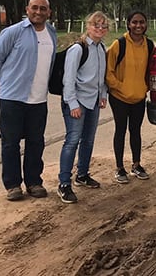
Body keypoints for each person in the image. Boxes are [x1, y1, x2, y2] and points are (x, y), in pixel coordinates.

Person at [0, 0, 57, 201]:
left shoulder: (52, 33)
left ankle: (34, 182)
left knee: (36, 142)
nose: (38, 12)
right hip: (13, 99)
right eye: (35, 8)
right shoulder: (13, 32)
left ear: (49, 12)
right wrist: (7, 85)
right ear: (27, 9)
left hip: (38, 100)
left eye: (43, 9)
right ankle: (12, 185)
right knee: (10, 143)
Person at [57, 11, 109, 203]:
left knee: (88, 140)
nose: (100, 29)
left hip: (93, 100)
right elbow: (68, 79)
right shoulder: (78, 49)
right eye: (96, 25)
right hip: (77, 102)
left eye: (104, 26)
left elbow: (102, 76)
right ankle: (64, 183)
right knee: (72, 141)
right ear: (88, 26)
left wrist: (103, 95)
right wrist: (72, 104)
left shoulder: (102, 48)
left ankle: (82, 174)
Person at [105, 10, 153, 184]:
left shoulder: (149, 45)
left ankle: (136, 165)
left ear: (146, 24)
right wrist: (120, 88)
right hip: (119, 98)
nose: (138, 25)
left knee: (136, 131)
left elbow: (150, 70)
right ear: (128, 24)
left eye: (141, 22)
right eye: (135, 22)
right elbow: (108, 72)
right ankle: (119, 168)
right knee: (120, 131)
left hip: (139, 97)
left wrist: (145, 87)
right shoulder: (119, 44)